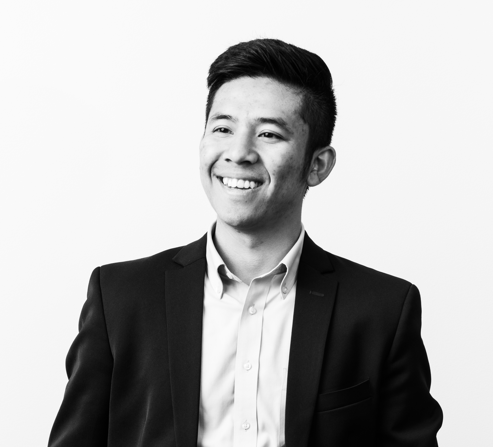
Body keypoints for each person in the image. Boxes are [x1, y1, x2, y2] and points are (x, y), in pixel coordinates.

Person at [48, 39, 442, 447]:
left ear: (318, 165)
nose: (238, 153)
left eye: (269, 134)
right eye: (223, 128)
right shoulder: (120, 298)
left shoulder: (382, 310)